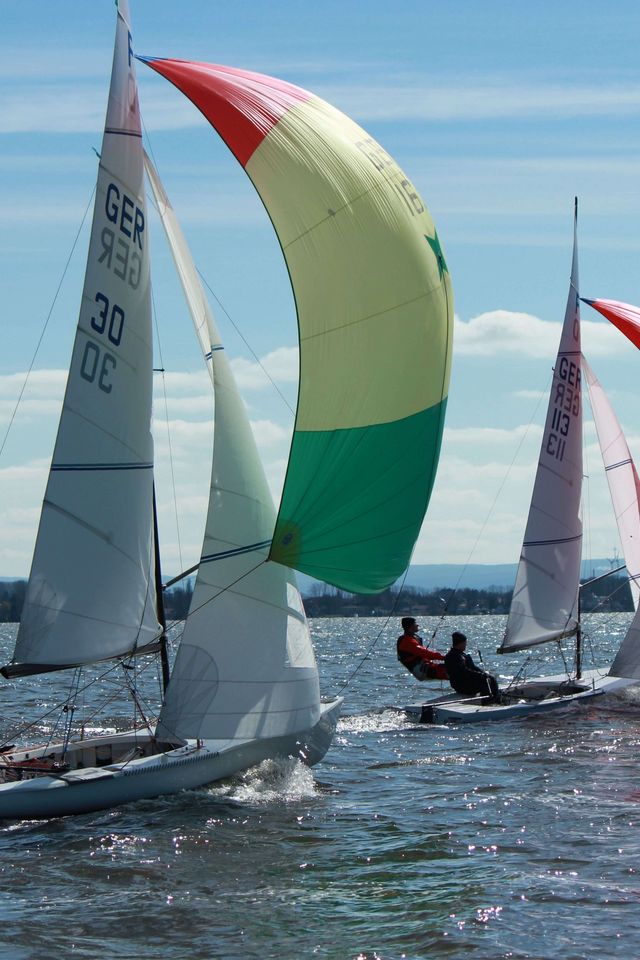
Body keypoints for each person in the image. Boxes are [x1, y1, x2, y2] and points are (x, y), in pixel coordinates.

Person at [444, 631, 501, 702]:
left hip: (467, 681)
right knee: (485, 682)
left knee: (491, 679)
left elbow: (473, 667)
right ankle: (487, 702)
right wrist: (480, 675)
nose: (465, 645)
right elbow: (464, 671)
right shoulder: (453, 656)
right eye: (464, 643)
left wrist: (483, 673)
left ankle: (496, 699)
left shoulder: (462, 655)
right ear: (460, 643)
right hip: (461, 685)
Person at [397, 617, 448, 682]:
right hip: (422, 670)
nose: (417, 625)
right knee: (453, 670)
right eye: (415, 623)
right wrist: (444, 657)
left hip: (423, 667)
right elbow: (425, 653)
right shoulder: (407, 641)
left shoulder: (410, 638)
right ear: (411, 626)